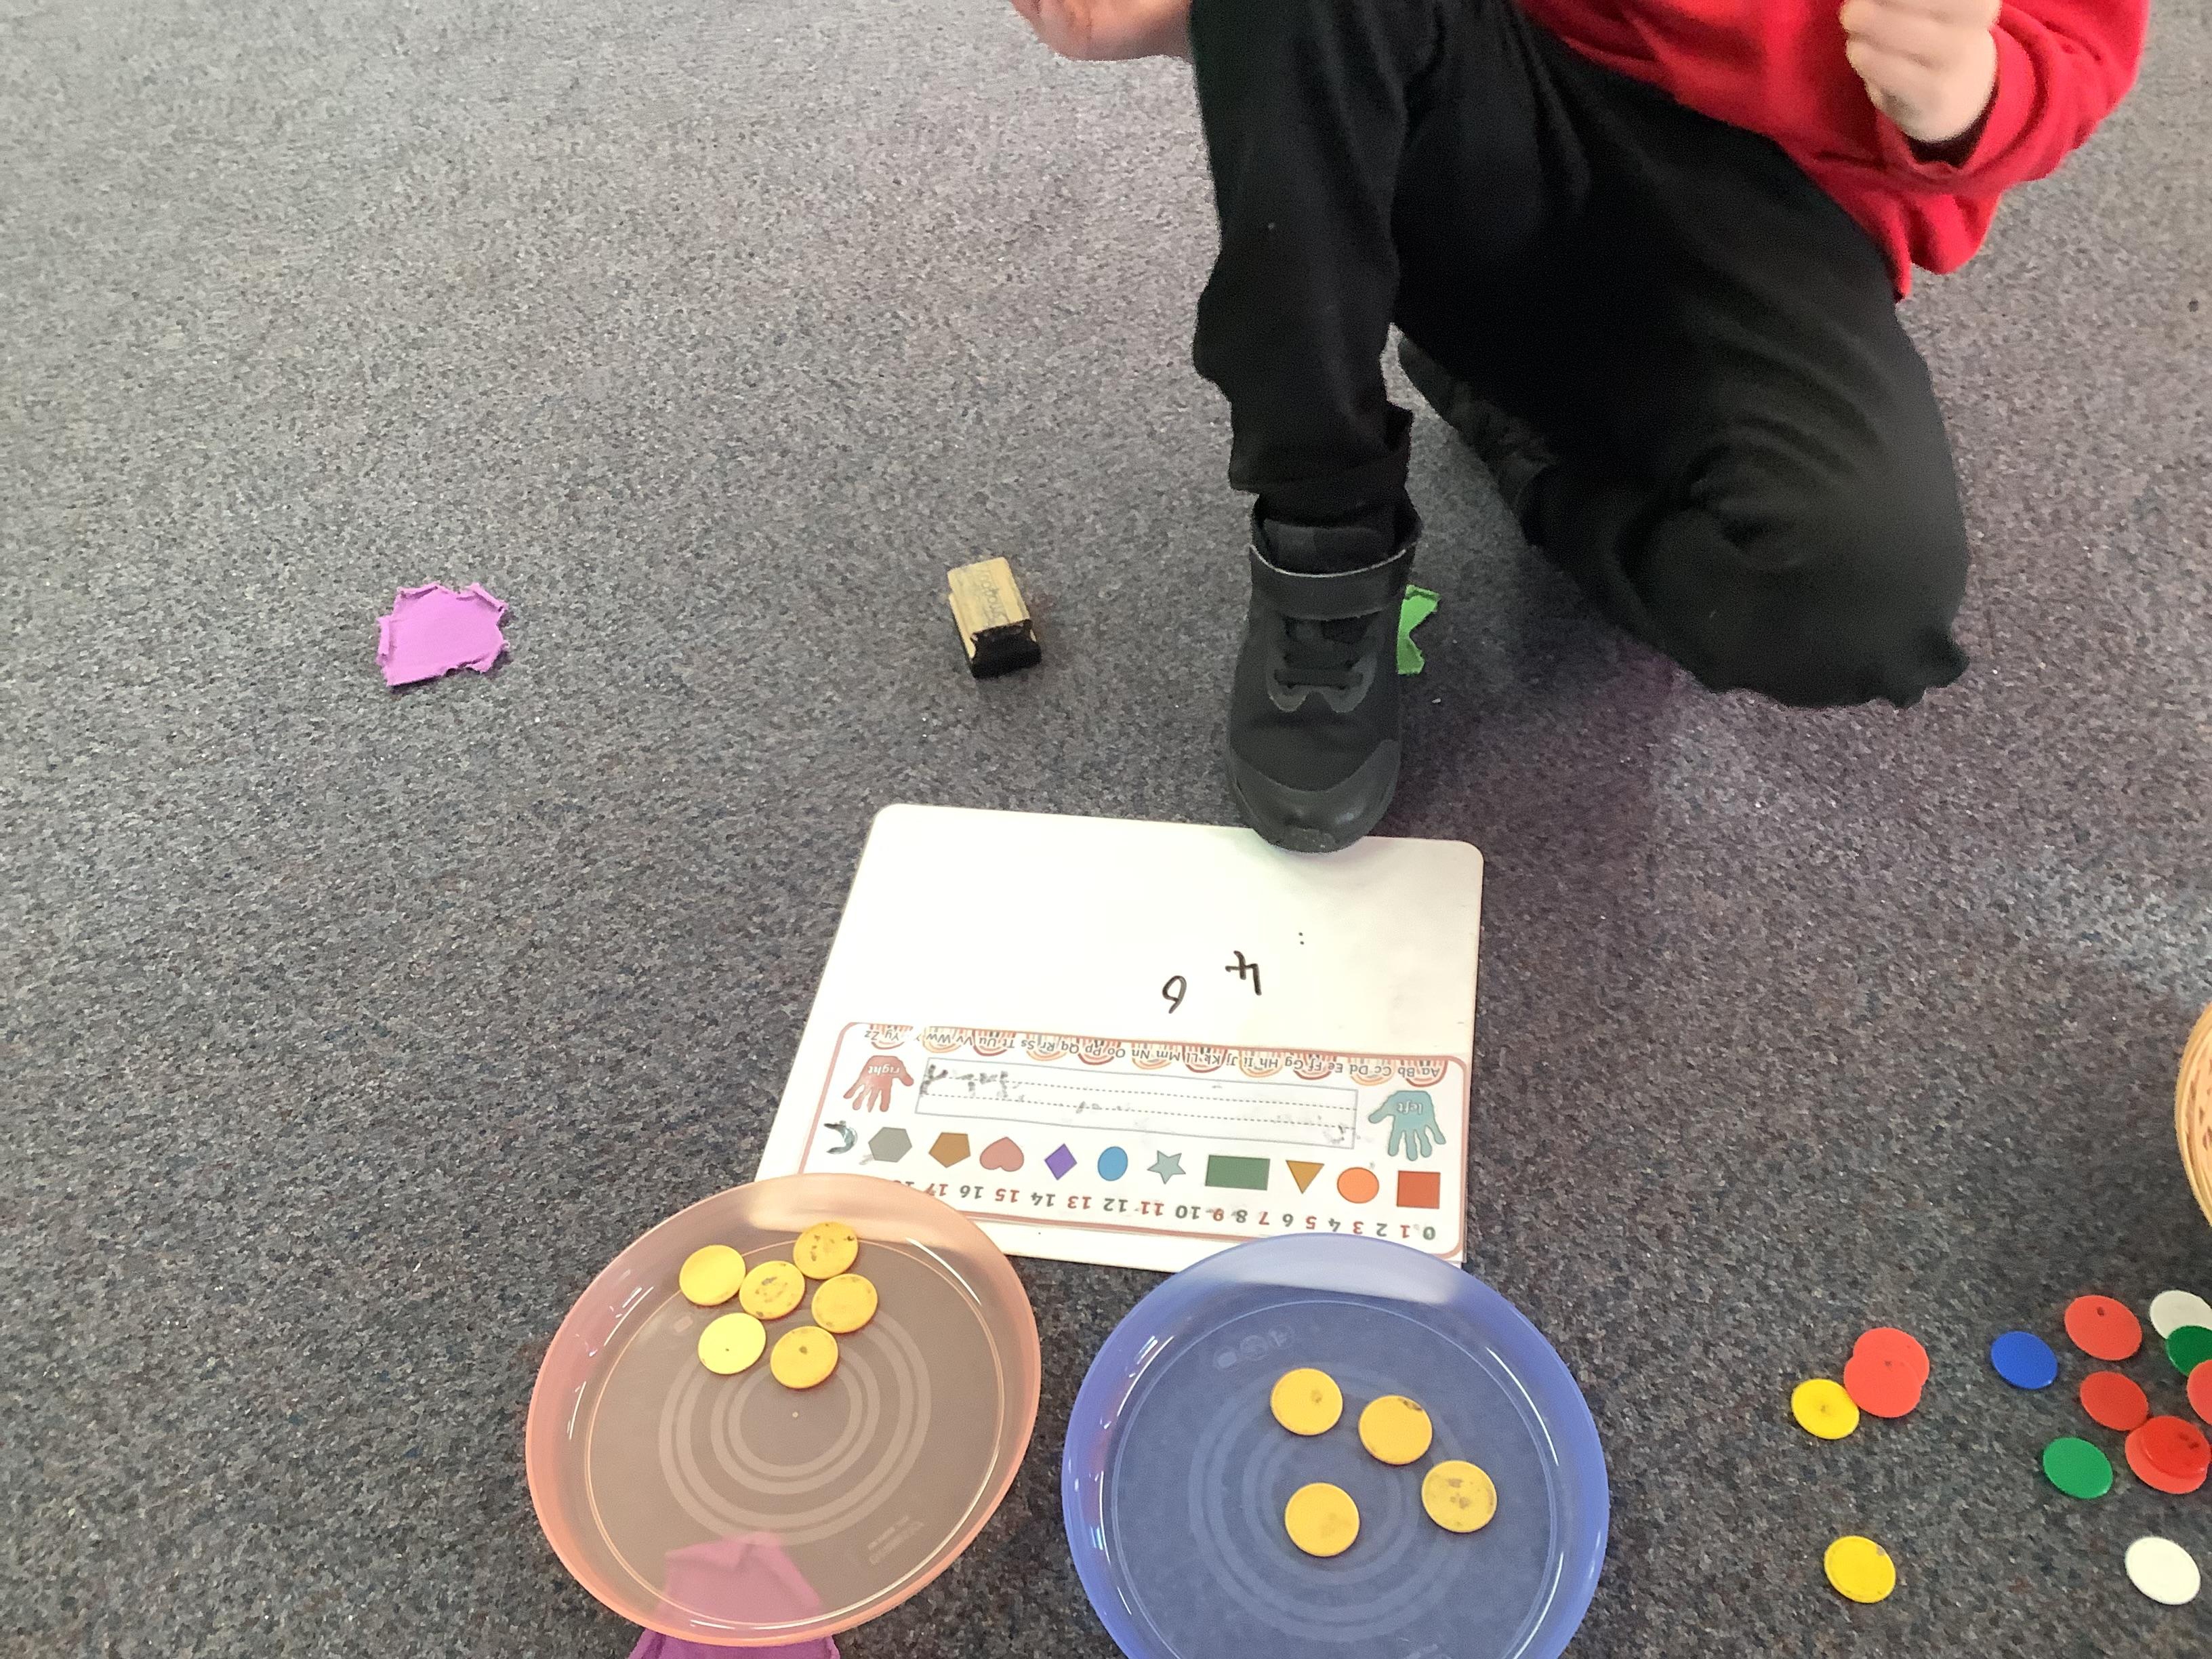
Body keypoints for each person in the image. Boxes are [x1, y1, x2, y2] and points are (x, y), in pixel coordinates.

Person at [1008, 0, 2148, 851]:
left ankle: (1528, 443)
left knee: (1852, 592)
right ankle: (1326, 536)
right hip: (1497, 84)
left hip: (1785, 203)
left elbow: (2072, 42)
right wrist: (1221, 28)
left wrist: (1982, 93)